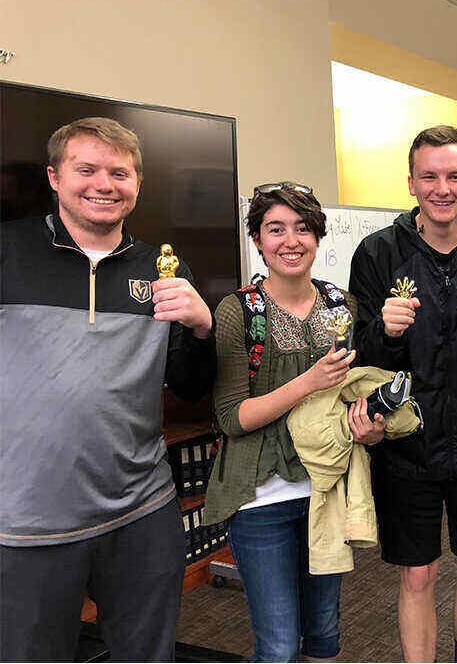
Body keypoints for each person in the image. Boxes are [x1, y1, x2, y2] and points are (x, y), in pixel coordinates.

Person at [0, 117, 216, 660]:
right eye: (87, 169)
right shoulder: (8, 252)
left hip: (142, 514)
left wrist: (202, 327)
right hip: (28, 521)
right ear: (54, 177)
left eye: (120, 172)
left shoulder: (162, 268)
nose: (104, 183)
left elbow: (191, 389)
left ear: (137, 184)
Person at [349, 125, 457, 663]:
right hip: (407, 446)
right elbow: (360, 356)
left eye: (454, 175)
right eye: (429, 176)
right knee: (417, 574)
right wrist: (386, 330)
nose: (441, 187)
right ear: (411, 183)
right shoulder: (378, 253)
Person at [201, 182, 386, 662]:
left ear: (318, 237)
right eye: (275, 229)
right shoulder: (237, 311)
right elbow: (231, 418)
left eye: (303, 228)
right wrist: (306, 381)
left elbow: (346, 397)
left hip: (326, 492)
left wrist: (368, 425)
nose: (291, 240)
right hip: (260, 501)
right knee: (279, 645)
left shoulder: (340, 306)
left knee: (324, 633)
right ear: (258, 240)